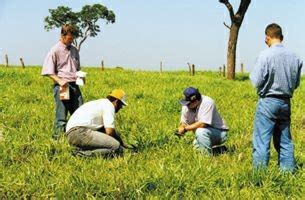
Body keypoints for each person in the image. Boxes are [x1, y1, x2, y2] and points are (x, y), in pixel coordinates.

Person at [250, 23, 303, 172]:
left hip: (268, 101)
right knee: (285, 140)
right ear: (282, 37)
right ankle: (287, 173)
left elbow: (256, 81)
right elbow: (296, 83)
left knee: (262, 141)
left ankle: (259, 176)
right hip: (286, 102)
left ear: (267, 37)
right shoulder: (296, 58)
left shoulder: (265, 55)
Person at [42, 24, 84, 139]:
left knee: (80, 112)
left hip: (75, 85)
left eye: (73, 39)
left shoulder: (75, 50)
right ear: (63, 36)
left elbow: (77, 68)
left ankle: (77, 138)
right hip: (63, 86)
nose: (71, 41)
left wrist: (81, 76)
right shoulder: (55, 50)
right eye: (69, 39)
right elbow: (47, 71)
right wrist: (59, 81)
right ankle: (57, 140)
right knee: (61, 116)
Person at [65, 89, 129, 157]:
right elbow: (109, 132)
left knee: (113, 145)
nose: (121, 107)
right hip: (81, 132)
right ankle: (80, 154)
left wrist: (122, 142)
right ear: (116, 102)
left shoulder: (98, 103)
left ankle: (81, 149)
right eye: (121, 105)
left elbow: (103, 131)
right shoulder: (109, 106)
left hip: (71, 134)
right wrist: (120, 144)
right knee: (116, 147)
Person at [176, 87, 229, 155]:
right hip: (205, 132)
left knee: (200, 131)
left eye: (188, 103)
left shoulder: (208, 102)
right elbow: (184, 122)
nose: (186, 105)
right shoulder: (186, 106)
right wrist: (181, 127)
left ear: (196, 101)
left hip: (219, 132)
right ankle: (221, 150)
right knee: (196, 147)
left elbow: (203, 124)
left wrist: (185, 129)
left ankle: (207, 158)